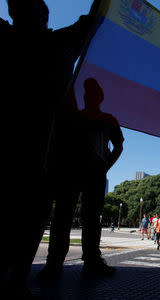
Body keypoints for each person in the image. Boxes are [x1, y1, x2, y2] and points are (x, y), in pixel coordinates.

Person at [2, 0, 101, 294]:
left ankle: (19, 275)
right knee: (32, 211)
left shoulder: (55, 42)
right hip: (39, 146)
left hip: (40, 147)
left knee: (33, 210)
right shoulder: (57, 43)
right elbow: (92, 21)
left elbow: (92, 19)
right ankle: (18, 276)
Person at [38, 78, 123, 280]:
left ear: (100, 97)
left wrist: (105, 166)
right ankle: (55, 263)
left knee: (87, 219)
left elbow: (118, 147)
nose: (88, 97)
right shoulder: (76, 117)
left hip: (90, 172)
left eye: (93, 94)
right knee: (64, 217)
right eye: (86, 94)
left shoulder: (107, 119)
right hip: (73, 172)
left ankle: (87, 262)